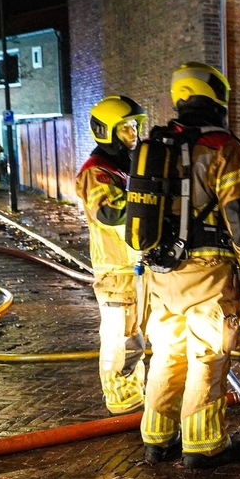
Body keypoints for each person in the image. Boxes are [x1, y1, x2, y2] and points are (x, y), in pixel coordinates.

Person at [140, 62, 240, 469]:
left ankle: (157, 439)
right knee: (207, 356)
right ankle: (204, 444)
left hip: (161, 269)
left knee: (166, 354)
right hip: (208, 271)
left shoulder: (157, 144)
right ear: (216, 99)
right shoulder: (219, 147)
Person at [75, 96, 147, 415]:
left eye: (134, 127)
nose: (133, 134)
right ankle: (120, 398)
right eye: (126, 128)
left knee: (136, 335)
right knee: (120, 338)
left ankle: (134, 394)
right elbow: (110, 213)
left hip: (134, 267)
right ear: (107, 132)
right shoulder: (96, 172)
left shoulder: (122, 168)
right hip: (116, 270)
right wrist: (148, 198)